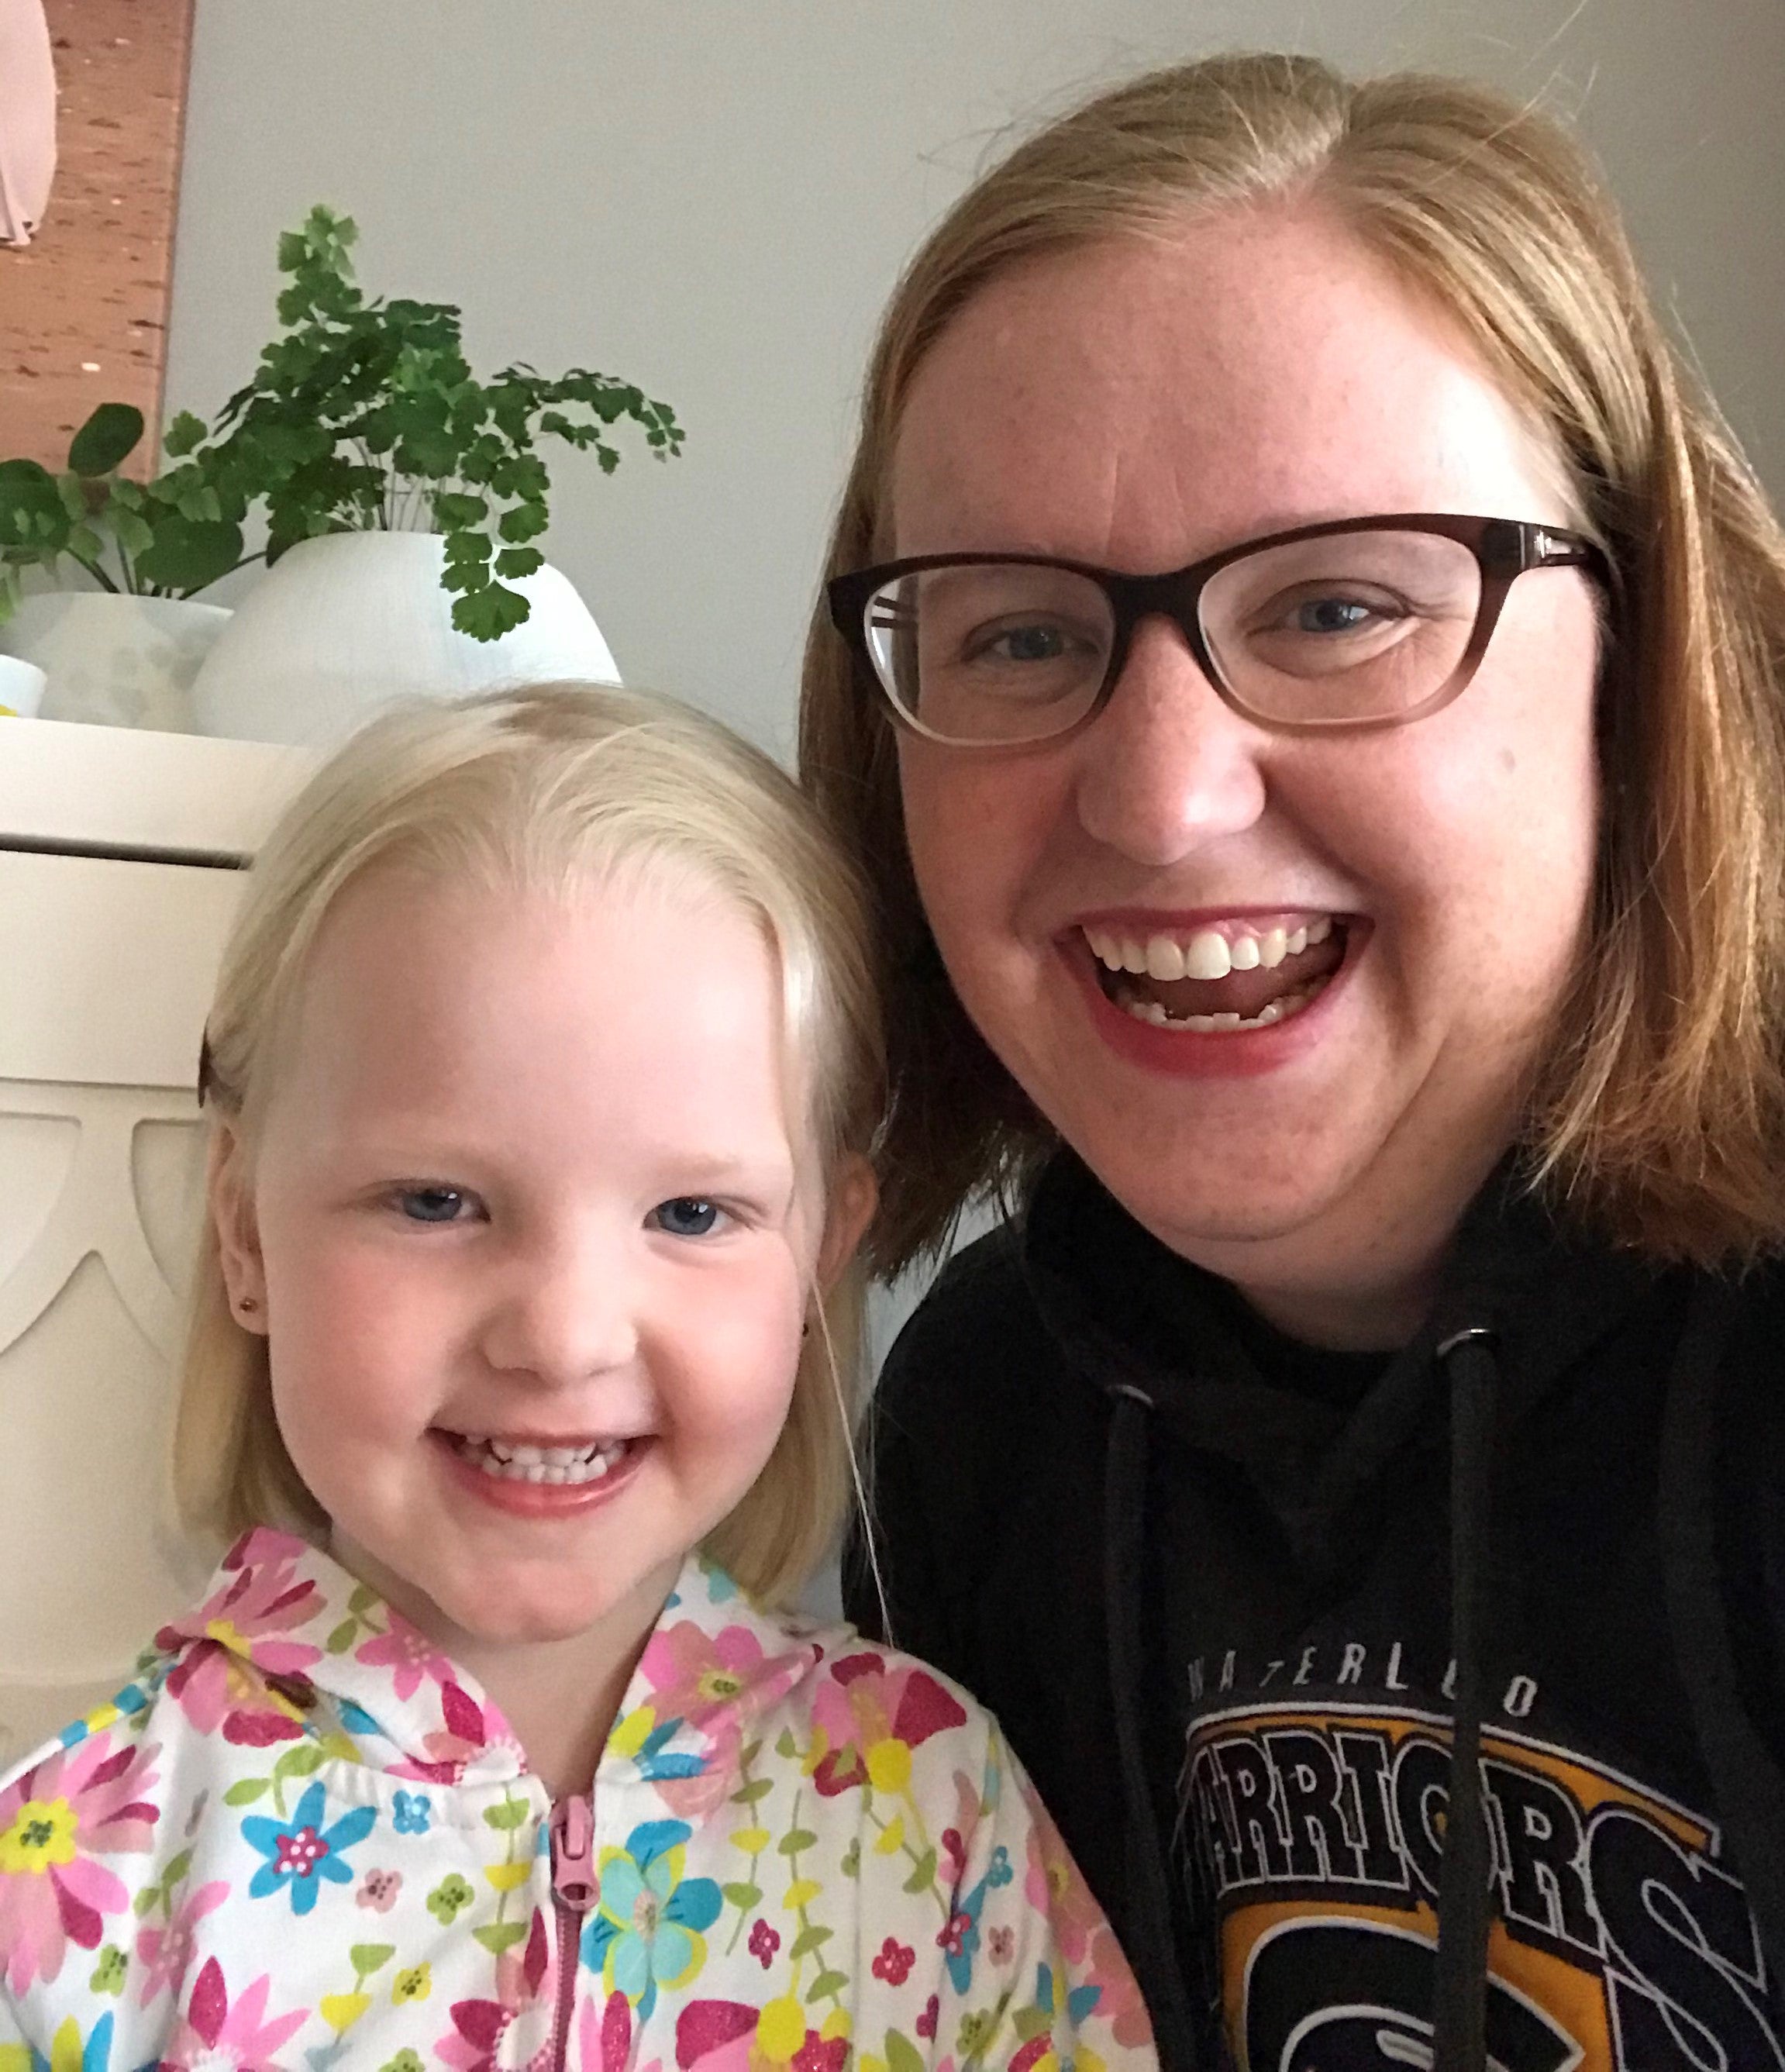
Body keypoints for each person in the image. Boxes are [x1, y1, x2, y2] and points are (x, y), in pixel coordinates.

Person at [803, 51, 1785, 2072]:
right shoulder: (979, 1430)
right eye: (1015, 636)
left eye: (1340, 605)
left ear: (1645, 656)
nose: (1161, 800)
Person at [0, 686, 1154, 2072]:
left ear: (818, 1258)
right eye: (434, 1200)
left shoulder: (935, 1813)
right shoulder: (76, 1883)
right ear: (246, 1229)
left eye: (690, 1215)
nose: (562, 1336)